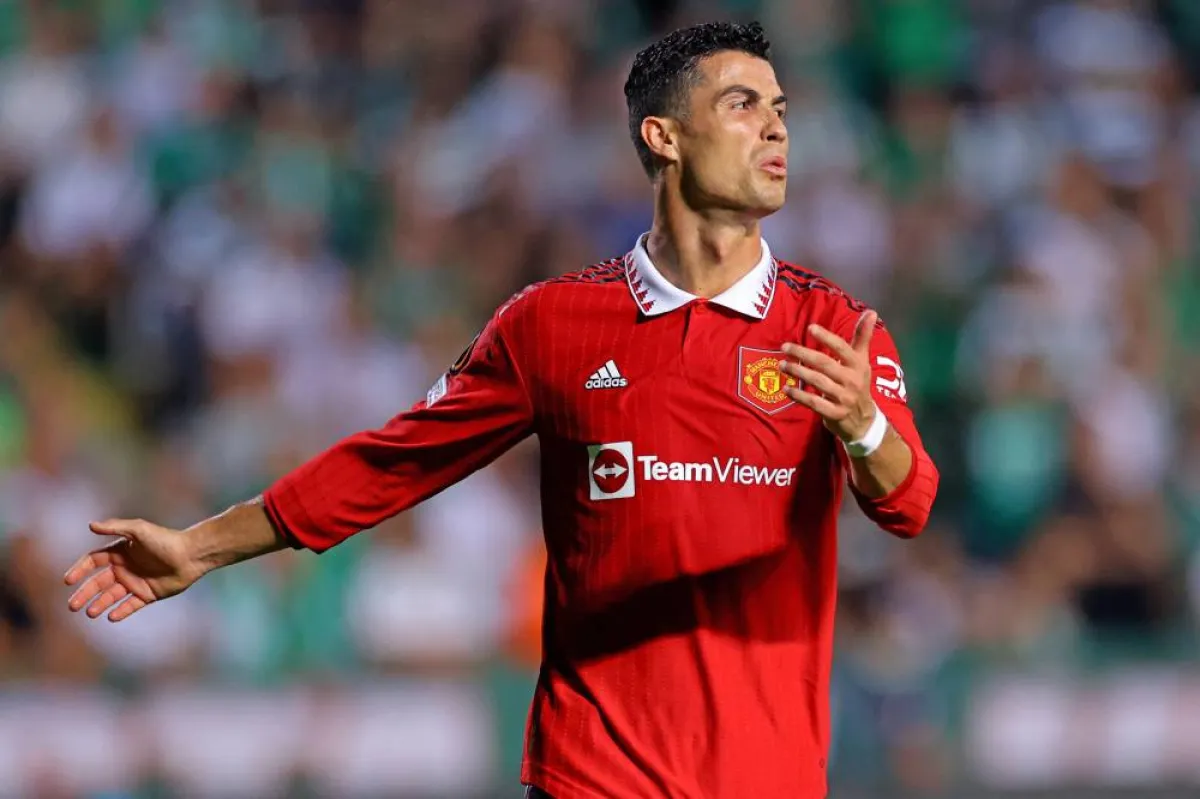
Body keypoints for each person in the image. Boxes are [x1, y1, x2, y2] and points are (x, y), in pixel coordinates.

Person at [63, 21, 938, 799]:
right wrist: (199, 547)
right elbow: (392, 462)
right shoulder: (553, 323)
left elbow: (908, 501)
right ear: (663, 136)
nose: (778, 125)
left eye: (780, 106)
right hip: (592, 771)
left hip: (766, 778)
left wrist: (862, 423)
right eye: (744, 103)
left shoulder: (831, 326)